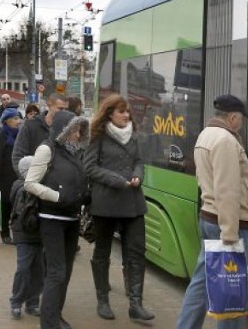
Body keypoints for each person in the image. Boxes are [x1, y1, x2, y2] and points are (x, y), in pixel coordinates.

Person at [176, 94, 248, 329]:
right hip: (229, 225)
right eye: (241, 118)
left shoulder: (206, 135)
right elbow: (228, 191)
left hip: (211, 217)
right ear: (233, 117)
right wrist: (230, 235)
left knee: (202, 284)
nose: (242, 123)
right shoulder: (225, 141)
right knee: (231, 287)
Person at [83, 94, 154, 321]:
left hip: (133, 203)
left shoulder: (134, 135)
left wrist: (137, 176)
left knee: (136, 253)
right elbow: (89, 167)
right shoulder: (98, 136)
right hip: (106, 203)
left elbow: (139, 162)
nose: (126, 115)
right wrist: (116, 179)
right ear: (110, 113)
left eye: (127, 111)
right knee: (102, 252)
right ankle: (102, 300)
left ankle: (136, 304)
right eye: (122, 111)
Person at [24, 110, 89, 329]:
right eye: (74, 130)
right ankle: (49, 322)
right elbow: (30, 183)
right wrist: (58, 197)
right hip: (51, 217)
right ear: (64, 129)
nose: (78, 134)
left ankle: (55, 314)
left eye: (80, 130)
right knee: (57, 271)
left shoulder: (75, 153)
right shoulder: (47, 149)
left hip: (71, 218)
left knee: (66, 271)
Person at [9, 156, 43, 320]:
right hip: (25, 233)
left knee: (38, 269)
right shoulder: (22, 188)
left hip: (37, 233)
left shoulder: (32, 186)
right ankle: (16, 302)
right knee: (24, 268)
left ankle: (32, 302)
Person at [12, 93, 68, 176]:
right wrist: (27, 179)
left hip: (58, 182)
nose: (64, 112)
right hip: (33, 180)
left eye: (66, 110)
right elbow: (18, 155)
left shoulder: (67, 129)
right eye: (60, 108)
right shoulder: (31, 125)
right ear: (49, 105)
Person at [0, 108, 22, 243]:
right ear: (7, 121)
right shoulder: (1, 137)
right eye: (15, 119)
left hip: (17, 177)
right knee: (5, 208)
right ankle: (5, 234)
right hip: (4, 178)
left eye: (18, 118)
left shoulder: (19, 136)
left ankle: (17, 233)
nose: (18, 121)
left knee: (17, 207)